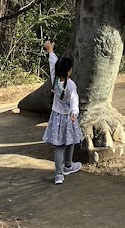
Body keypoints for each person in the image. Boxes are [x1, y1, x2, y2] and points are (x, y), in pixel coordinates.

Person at [42, 39, 84, 185]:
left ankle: (62, 171)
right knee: (69, 141)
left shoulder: (54, 80)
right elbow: (74, 100)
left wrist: (50, 51)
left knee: (60, 146)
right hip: (68, 118)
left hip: (56, 117)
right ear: (68, 71)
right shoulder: (71, 85)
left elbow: (52, 65)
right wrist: (74, 112)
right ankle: (65, 168)